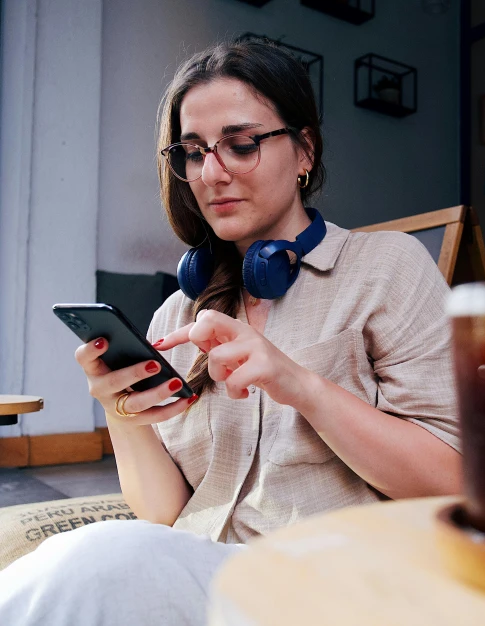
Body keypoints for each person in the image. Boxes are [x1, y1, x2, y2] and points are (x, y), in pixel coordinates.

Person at [0, 38, 461, 625]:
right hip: (208, 576)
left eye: (240, 145)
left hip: (335, 586)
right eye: (193, 153)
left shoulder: (387, 268)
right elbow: (165, 514)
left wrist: (302, 385)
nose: (212, 173)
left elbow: (452, 483)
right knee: (98, 562)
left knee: (99, 558)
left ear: (304, 152)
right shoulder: (179, 314)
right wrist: (121, 410)